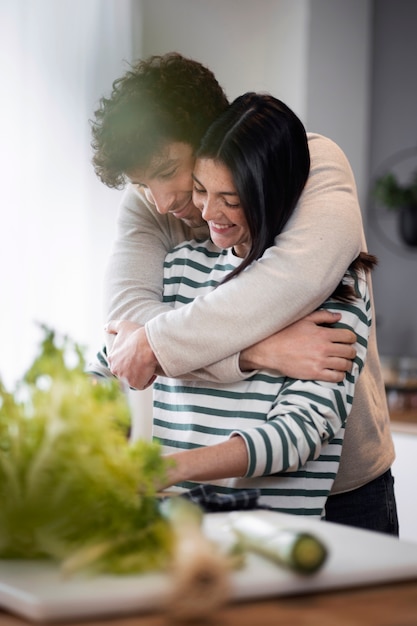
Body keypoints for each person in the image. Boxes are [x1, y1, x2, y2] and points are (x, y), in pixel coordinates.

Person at [90, 53, 398, 533]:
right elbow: (129, 334)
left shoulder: (312, 165)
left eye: (170, 169)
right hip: (210, 501)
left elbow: (290, 284)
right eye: (140, 183)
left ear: (213, 131)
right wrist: (256, 353)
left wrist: (161, 345)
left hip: (342, 487)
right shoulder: (159, 217)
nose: (163, 201)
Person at [149, 92, 376, 515]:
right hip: (183, 531)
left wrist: (165, 469)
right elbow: (116, 357)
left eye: (231, 200)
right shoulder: (180, 268)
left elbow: (298, 434)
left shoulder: (336, 290)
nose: (209, 211)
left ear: (273, 192)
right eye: (200, 189)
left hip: (278, 533)